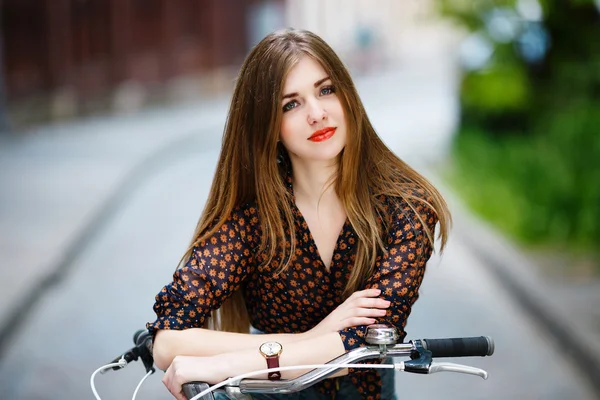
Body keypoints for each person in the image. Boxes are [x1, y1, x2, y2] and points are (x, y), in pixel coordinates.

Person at [147, 28, 451, 400]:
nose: (317, 114)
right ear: (268, 126)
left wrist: (226, 363)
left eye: (326, 90)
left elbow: (368, 342)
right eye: (290, 104)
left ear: (347, 96)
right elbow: (166, 343)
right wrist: (312, 339)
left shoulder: (406, 207)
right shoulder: (253, 221)